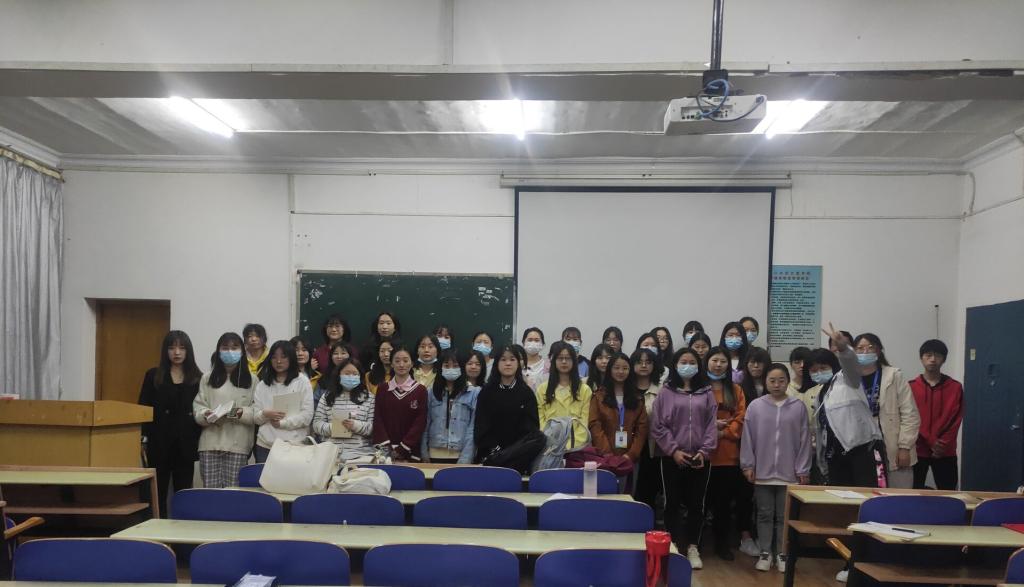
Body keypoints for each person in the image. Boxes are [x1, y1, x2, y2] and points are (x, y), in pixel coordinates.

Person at [741, 364, 812, 573]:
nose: (777, 384)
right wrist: (748, 465)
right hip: (762, 471)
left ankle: (782, 553)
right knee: (764, 514)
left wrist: (803, 469)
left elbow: (805, 440)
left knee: (784, 516)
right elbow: (747, 438)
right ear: (765, 382)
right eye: (772, 380)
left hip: (789, 473)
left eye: (781, 380)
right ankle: (765, 552)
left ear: (787, 381)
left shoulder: (798, 407)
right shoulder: (755, 406)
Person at [651, 347, 717, 570]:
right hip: (672, 457)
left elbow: (711, 425)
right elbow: (658, 425)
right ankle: (671, 545)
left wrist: (704, 452)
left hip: (700, 458)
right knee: (671, 503)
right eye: (683, 361)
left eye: (692, 362)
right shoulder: (666, 392)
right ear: (675, 365)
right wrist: (674, 450)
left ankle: (692, 547)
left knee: (697, 504)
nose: (687, 365)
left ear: (698, 366)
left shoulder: (706, 392)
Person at [138, 330, 203, 518]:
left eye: (182, 348)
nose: (177, 352)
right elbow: (143, 408)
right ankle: (156, 526)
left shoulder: (198, 378)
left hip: (186, 443)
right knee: (157, 491)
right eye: (172, 348)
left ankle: (181, 528)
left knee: (183, 492)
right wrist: (143, 438)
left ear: (188, 351)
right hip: (159, 442)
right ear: (165, 351)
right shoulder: (154, 375)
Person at [815, 324, 882, 488]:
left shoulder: (850, 376)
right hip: (835, 452)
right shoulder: (826, 387)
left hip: (859, 450)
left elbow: (849, 361)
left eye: (840, 345)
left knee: (864, 497)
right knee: (839, 499)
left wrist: (844, 348)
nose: (819, 372)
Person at [853, 333, 921, 489]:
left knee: (899, 496)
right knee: (868, 494)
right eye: (860, 348)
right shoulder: (850, 379)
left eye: (870, 347)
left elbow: (910, 414)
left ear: (878, 351)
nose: (865, 352)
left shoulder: (894, 375)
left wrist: (905, 447)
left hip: (893, 445)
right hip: (863, 447)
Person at [193, 332, 260, 489]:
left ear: (242, 351)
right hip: (210, 443)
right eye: (225, 348)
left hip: (238, 445)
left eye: (234, 347)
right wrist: (206, 414)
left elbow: (257, 412)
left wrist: (235, 412)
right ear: (218, 351)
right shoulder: (207, 378)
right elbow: (198, 406)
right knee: (211, 493)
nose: (230, 351)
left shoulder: (252, 380)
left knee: (233, 493)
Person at [705, 346, 749, 561]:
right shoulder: (699, 389)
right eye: (715, 360)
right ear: (707, 362)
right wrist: (711, 429)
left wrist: (722, 433)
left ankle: (722, 544)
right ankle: (697, 543)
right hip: (703, 455)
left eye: (723, 361)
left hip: (728, 457)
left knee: (723, 505)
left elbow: (741, 419)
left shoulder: (736, 390)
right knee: (701, 503)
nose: (718, 365)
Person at [474, 345, 542, 473]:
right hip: (491, 455)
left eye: (512, 359)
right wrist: (496, 450)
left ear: (518, 363)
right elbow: (481, 428)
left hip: (518, 457)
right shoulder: (486, 392)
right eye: (503, 359)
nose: (508, 363)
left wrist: (512, 452)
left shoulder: (526, 393)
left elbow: (531, 429)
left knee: (539, 437)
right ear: (497, 363)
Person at [909, 339, 963, 490]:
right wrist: (931, 441)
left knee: (948, 492)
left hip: (944, 450)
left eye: (938, 355)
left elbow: (956, 418)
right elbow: (910, 417)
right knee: (912, 491)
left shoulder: (955, 387)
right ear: (921, 358)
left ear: (944, 359)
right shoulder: (910, 386)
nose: (932, 359)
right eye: (928, 355)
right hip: (917, 449)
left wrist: (941, 444)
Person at [252, 340, 314, 463]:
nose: (278, 361)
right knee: (264, 476)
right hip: (265, 446)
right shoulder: (262, 385)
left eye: (283, 357)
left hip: (295, 445)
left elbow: (307, 416)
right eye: (274, 357)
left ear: (291, 358)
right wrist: (265, 414)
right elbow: (255, 418)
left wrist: (282, 423)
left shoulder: (302, 381)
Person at [589, 352, 649, 463]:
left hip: (630, 458)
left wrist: (631, 454)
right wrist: (607, 454)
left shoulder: (637, 398)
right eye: (616, 368)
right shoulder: (598, 396)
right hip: (604, 457)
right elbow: (595, 425)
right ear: (610, 370)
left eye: (625, 368)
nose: (621, 372)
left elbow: (642, 428)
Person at [312, 358, 375, 463]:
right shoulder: (327, 396)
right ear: (339, 375)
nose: (351, 376)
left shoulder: (369, 398)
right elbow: (316, 424)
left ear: (360, 376)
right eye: (347, 373)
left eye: (355, 374)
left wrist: (355, 425)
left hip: (360, 454)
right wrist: (334, 427)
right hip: (330, 454)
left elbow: (373, 427)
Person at [421, 349, 479, 463]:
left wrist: (465, 459)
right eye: (446, 366)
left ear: (462, 368)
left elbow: (472, 428)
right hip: (434, 453)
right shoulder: (431, 392)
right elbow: (425, 424)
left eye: (455, 366)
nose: (451, 369)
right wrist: (424, 452)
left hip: (460, 454)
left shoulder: (473, 393)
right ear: (440, 368)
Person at [372, 346, 428, 462]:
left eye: (405, 361)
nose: (401, 365)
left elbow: (420, 422)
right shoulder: (382, 389)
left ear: (412, 363)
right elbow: (378, 419)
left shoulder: (420, 390)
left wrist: (402, 448)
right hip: (385, 451)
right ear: (392, 364)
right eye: (397, 361)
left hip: (410, 450)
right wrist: (387, 447)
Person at [537, 341, 594, 450]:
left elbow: (584, 424)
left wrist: (568, 447)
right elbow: (541, 421)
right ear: (554, 361)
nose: (564, 361)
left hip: (576, 448)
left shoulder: (584, 390)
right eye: (560, 358)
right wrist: (553, 444)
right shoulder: (542, 389)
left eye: (568, 358)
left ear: (574, 361)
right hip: (549, 447)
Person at [632, 347, 664, 511]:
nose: (644, 365)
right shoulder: (626, 388)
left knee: (648, 488)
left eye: (648, 362)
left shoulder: (662, 390)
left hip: (653, 446)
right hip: (629, 444)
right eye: (639, 362)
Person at [290, 335, 321, 400]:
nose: (300, 353)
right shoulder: (284, 376)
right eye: (296, 350)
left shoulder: (317, 376)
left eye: (304, 350)